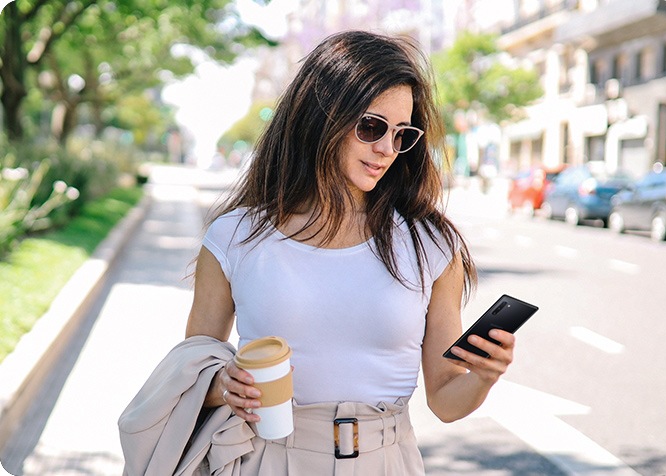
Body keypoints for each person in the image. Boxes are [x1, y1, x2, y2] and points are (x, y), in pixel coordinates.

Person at [120, 30, 517, 475]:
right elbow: (191, 370)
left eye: (401, 133)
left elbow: (444, 399)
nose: (386, 149)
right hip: (265, 460)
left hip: (385, 463)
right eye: (371, 127)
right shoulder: (234, 237)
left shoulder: (430, 245)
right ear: (322, 116)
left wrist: (484, 375)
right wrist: (223, 384)